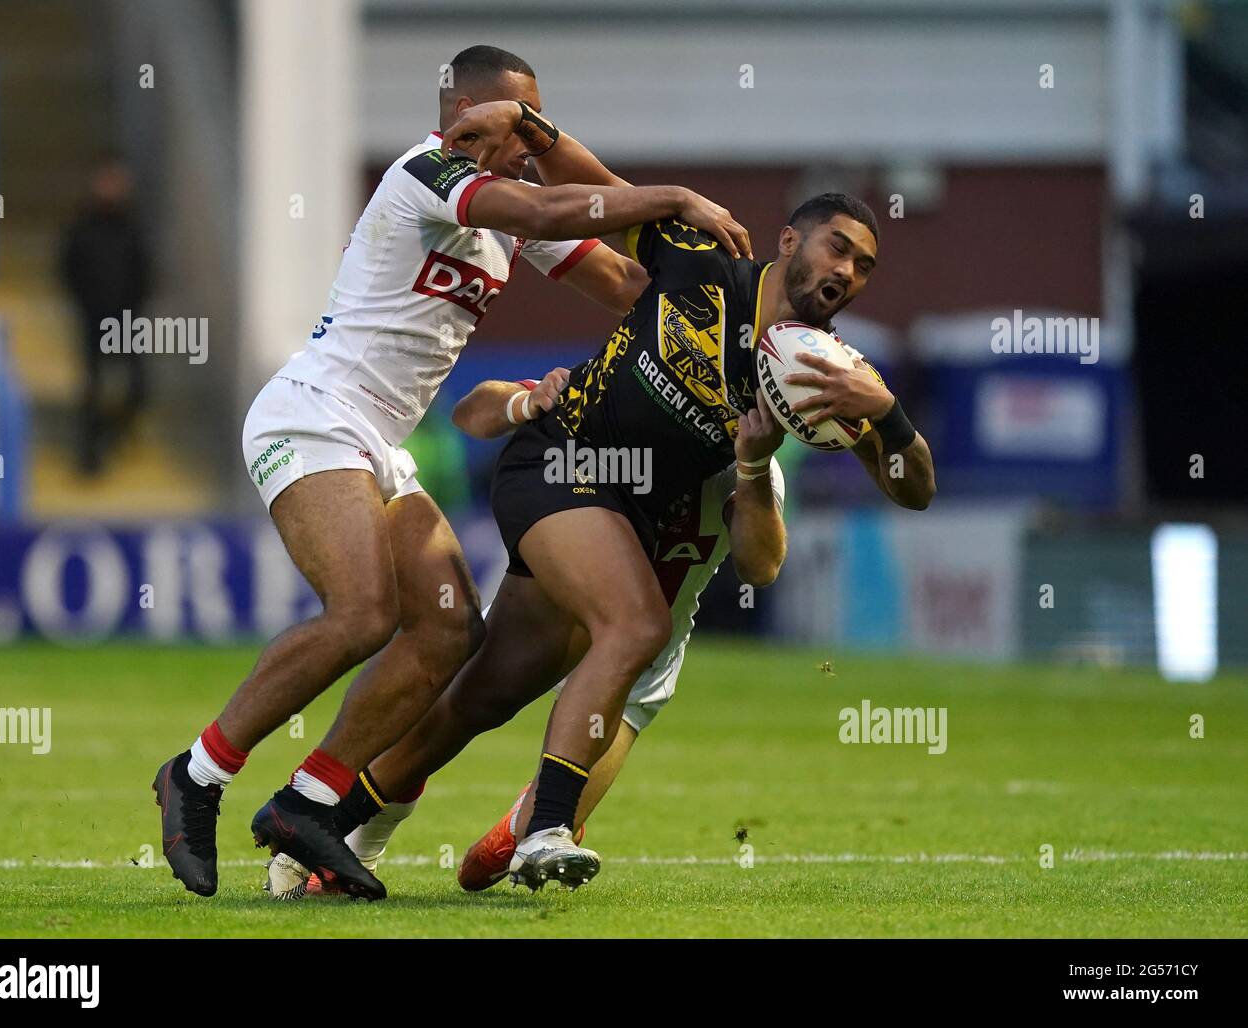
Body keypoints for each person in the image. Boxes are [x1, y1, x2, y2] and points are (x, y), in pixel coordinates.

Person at [152, 44, 752, 900]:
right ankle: (197, 776)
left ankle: (309, 801)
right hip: (312, 413)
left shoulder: (506, 211)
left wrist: (715, 303)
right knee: (363, 613)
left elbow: (624, 281)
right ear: (470, 114)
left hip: (379, 443)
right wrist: (676, 196)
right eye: (520, 128)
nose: (531, 150)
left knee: (449, 633)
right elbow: (546, 213)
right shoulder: (428, 170)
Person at [267, 191, 937, 895]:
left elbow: (865, 512)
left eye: (865, 265)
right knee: (633, 626)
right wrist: (643, 188)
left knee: (480, 697)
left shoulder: (820, 382)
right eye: (839, 247)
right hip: (561, 466)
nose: (850, 270)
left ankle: (320, 829)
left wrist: (886, 417)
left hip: (623, 536)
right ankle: (543, 828)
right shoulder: (702, 265)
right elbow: (582, 202)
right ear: (791, 243)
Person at [58, 158, 151, 474]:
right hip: (93, 319)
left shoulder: (132, 228)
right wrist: (86, 305)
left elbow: (144, 272)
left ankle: (113, 436)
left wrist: (134, 308)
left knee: (138, 389)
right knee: (94, 389)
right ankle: (89, 457)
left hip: (127, 322)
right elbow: (68, 269)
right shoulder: (82, 227)